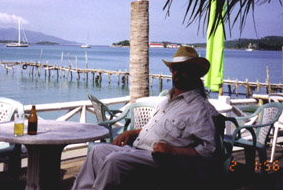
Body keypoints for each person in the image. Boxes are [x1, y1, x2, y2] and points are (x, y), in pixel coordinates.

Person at [72, 46, 221, 190]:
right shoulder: (167, 101)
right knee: (96, 151)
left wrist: (173, 151)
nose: (176, 73)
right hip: (137, 150)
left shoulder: (201, 110)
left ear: (195, 74)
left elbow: (210, 151)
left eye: (183, 70)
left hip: (161, 162)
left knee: (114, 161)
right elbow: (158, 128)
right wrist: (131, 133)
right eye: (174, 69)